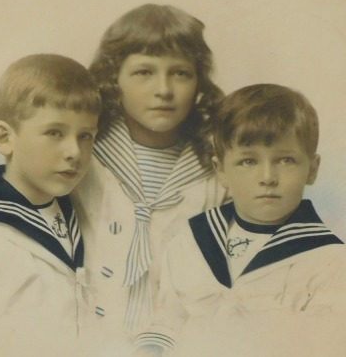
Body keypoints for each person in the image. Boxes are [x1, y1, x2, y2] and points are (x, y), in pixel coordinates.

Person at [135, 84, 346, 356]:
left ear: (312, 169)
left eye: (285, 160)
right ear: (221, 171)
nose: (267, 177)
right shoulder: (192, 239)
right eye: (248, 161)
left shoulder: (328, 259)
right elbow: (166, 323)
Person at [71, 3, 228, 351]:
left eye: (180, 73)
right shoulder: (84, 158)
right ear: (114, 80)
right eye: (144, 72)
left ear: (199, 81)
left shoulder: (216, 172)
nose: (164, 90)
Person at [0, 54, 101, 357]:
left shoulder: (70, 209)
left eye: (86, 136)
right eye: (55, 133)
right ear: (5, 138)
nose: (74, 152)